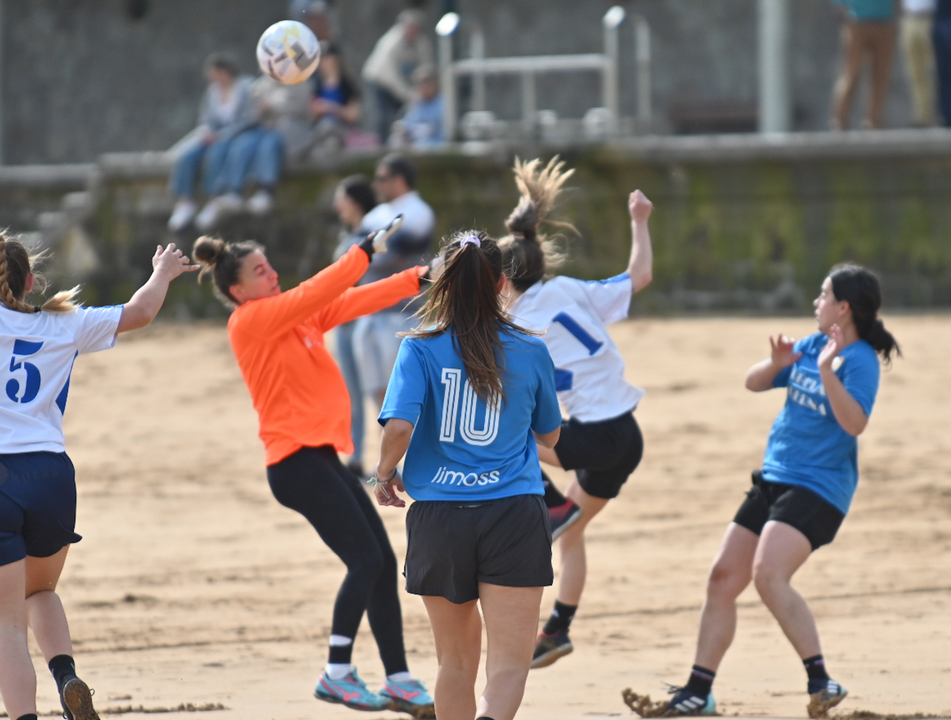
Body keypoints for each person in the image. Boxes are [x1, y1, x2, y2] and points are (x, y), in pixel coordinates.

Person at [0, 157, 197, 720]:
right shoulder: (65, 323)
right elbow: (139, 312)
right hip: (49, 475)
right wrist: (162, 271)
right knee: (40, 592)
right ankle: (66, 675)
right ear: (32, 282)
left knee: (3, 627)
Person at [633, 264, 899, 718]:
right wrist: (777, 363)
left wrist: (826, 371)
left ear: (843, 307)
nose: (816, 302)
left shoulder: (859, 361)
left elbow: (855, 423)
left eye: (823, 295)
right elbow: (753, 382)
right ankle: (699, 691)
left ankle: (822, 680)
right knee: (722, 578)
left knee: (768, 574)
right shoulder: (812, 344)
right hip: (775, 478)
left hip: (819, 488)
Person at [190, 233, 434, 716]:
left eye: (269, 265)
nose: (272, 274)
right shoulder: (250, 320)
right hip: (294, 464)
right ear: (238, 291)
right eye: (260, 271)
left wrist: (420, 277)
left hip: (321, 459)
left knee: (382, 562)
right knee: (365, 561)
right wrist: (362, 253)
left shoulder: (295, 318)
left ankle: (399, 679)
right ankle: (336, 673)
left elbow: (354, 300)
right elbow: (317, 290)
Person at [373, 232, 563, 720]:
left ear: (443, 283)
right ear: (501, 283)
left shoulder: (419, 347)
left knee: (454, 663)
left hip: (439, 517)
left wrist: (383, 473)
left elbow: (398, 427)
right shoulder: (530, 348)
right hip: (513, 514)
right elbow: (550, 435)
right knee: (508, 666)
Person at [494, 158, 654, 670]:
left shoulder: (516, 324)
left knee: (503, 437)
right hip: (624, 435)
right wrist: (640, 221)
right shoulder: (569, 290)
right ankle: (557, 631)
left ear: (503, 281)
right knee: (574, 533)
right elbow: (641, 276)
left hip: (594, 439)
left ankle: (552, 506)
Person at [353, 153, 435, 410]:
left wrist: (362, 255)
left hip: (401, 314)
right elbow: (359, 254)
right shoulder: (376, 215)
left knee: (401, 390)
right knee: (375, 388)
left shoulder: (419, 212)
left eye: (381, 178)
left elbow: (390, 257)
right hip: (368, 311)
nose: (376, 185)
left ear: (399, 180)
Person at [168, 53, 262, 232]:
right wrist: (207, 132)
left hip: (236, 135)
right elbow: (206, 119)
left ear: (226, 72)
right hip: (213, 136)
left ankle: (213, 197)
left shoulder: (246, 87)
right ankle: (185, 201)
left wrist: (221, 135)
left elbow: (249, 119)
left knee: (216, 154)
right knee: (187, 155)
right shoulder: (212, 91)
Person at [330, 175, 379, 475]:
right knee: (350, 393)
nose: (338, 206)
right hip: (344, 321)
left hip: (365, 319)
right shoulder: (349, 234)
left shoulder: (373, 235)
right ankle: (356, 456)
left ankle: (385, 459)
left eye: (342, 199)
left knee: (376, 390)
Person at [362, 10, 434, 144]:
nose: (412, 32)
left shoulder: (421, 42)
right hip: (379, 80)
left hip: (402, 84)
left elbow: (425, 68)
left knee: (408, 114)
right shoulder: (391, 42)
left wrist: (421, 89)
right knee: (382, 116)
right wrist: (409, 94)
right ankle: (381, 146)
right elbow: (391, 77)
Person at [831, 0, 897, 130]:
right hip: (857, 23)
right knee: (851, 74)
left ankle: (873, 122)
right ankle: (840, 121)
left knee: (880, 76)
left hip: (884, 22)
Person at [310, 43, 362, 157]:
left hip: (342, 130)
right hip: (319, 133)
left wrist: (329, 107)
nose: (327, 63)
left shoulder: (347, 86)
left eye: (330, 59)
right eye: (324, 60)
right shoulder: (315, 87)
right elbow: (312, 111)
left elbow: (353, 115)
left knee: (329, 127)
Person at [391, 65, 445, 148]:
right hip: (415, 148)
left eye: (426, 82)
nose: (423, 87)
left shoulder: (443, 103)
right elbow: (408, 124)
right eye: (421, 84)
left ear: (435, 84)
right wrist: (402, 129)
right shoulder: (418, 104)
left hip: (437, 148)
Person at [901, 0, 936, 127]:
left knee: (934, 71)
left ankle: (937, 115)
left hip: (930, 19)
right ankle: (922, 116)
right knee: (914, 72)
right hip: (909, 18)